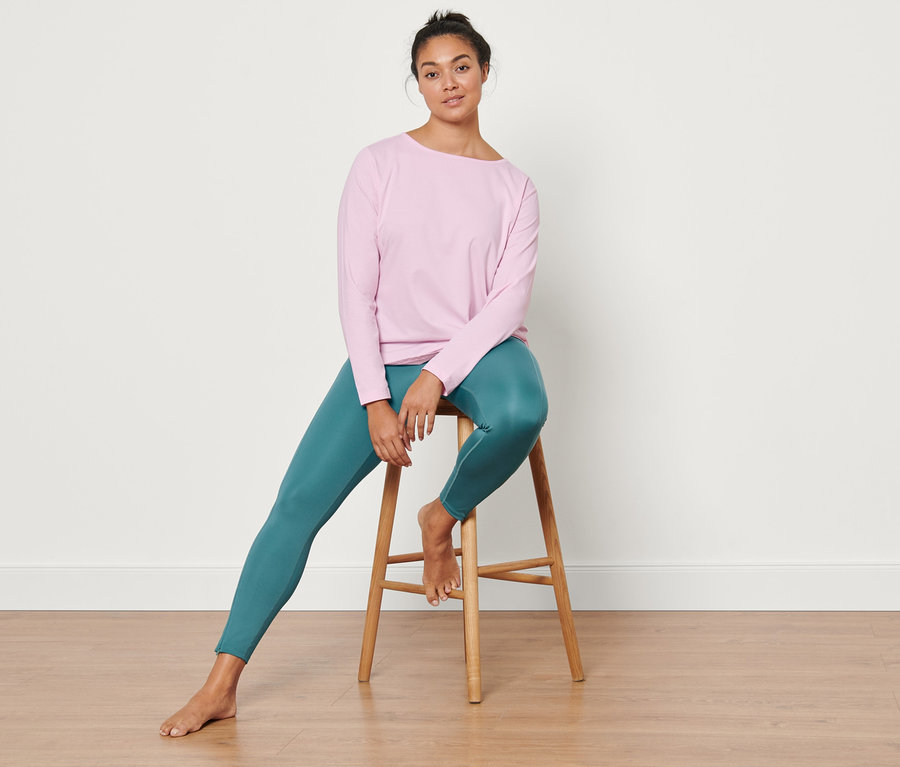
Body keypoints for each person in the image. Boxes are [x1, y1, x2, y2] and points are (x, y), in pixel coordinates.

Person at [159, 9, 548, 737]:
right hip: (388, 355)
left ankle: (442, 513)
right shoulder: (379, 164)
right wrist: (376, 395)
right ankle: (221, 681)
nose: (447, 83)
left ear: (485, 72)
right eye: (430, 72)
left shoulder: (515, 187)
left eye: (461, 66)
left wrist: (441, 373)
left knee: (526, 407)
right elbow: (354, 287)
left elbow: (507, 303)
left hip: (478, 353)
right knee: (296, 503)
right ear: (418, 83)